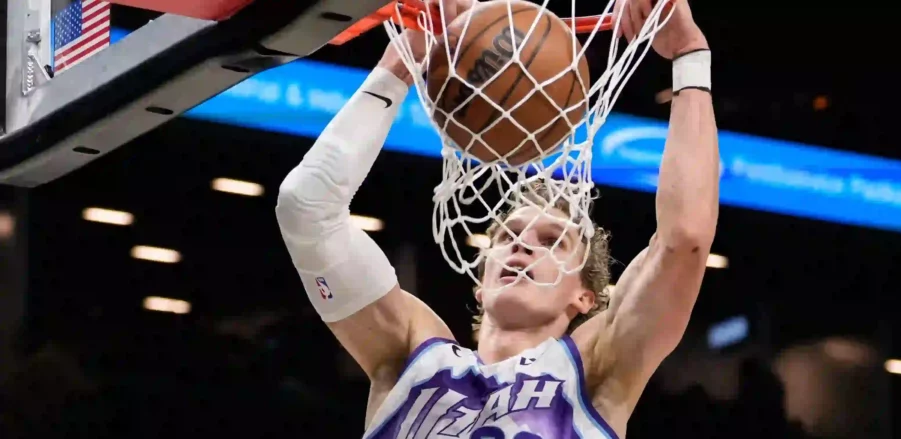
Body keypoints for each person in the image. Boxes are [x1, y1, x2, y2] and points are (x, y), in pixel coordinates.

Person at [275, 0, 719, 436]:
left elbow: (683, 241)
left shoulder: (597, 370)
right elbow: (305, 206)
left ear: (586, 297)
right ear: (480, 282)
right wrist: (401, 64)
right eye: (506, 236)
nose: (521, 245)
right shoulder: (410, 353)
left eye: (552, 242)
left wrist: (689, 55)